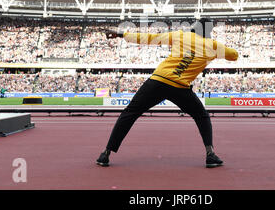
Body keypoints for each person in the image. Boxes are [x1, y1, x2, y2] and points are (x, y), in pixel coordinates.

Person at [96, 19, 238, 168]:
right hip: (180, 88)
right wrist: (212, 44)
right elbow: (234, 55)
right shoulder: (213, 46)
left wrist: (121, 34)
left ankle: (105, 153)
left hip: (157, 81)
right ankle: (210, 154)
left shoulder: (181, 35)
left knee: (130, 113)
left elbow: (149, 39)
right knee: (201, 116)